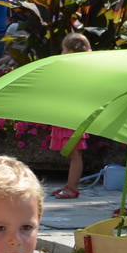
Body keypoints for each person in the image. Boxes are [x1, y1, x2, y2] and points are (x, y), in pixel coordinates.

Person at [42, 32, 94, 197]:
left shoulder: (78, 71)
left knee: (75, 152)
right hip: (69, 114)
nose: (61, 52)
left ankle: (72, 188)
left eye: (63, 49)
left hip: (73, 116)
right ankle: (70, 185)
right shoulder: (79, 69)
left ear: (70, 52)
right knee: (73, 152)